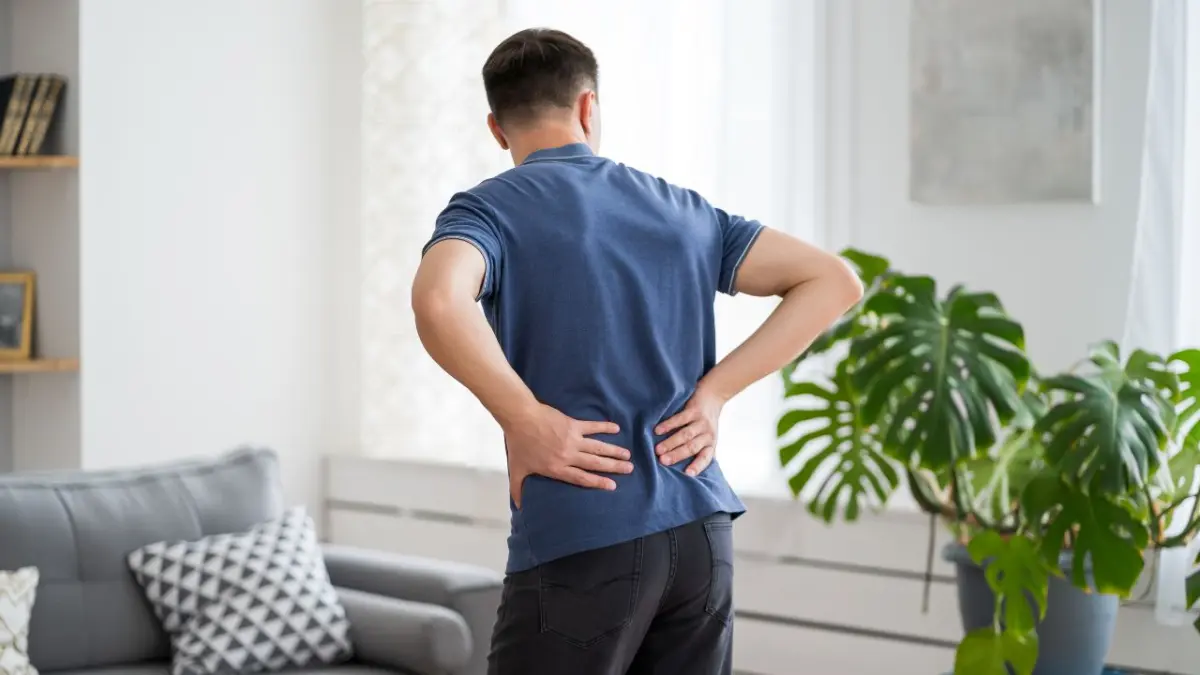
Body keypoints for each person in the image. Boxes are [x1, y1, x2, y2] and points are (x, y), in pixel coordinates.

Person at [411, 28, 863, 675]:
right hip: (701, 530)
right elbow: (834, 281)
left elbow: (438, 300)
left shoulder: (488, 211)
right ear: (588, 107)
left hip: (584, 526)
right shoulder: (683, 209)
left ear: (496, 129)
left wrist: (523, 416)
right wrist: (715, 394)